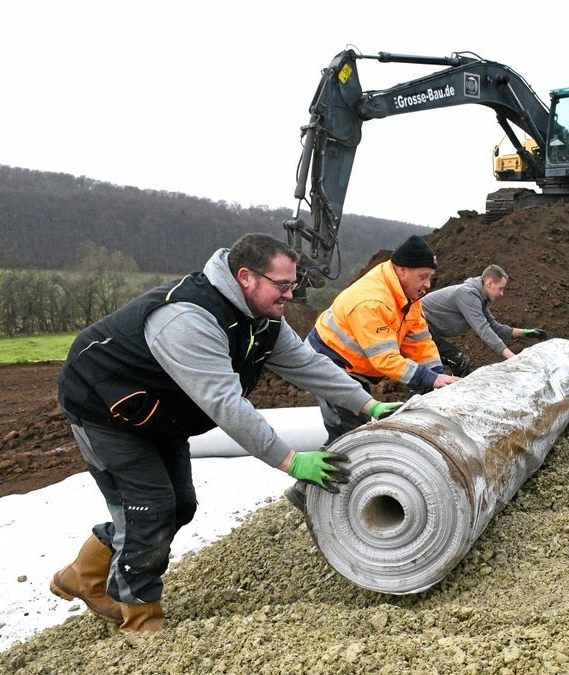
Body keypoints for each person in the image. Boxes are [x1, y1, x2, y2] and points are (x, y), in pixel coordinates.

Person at [52, 233, 399, 632]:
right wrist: (289, 460)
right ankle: (140, 619)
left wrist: (367, 404)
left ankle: (83, 574)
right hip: (105, 407)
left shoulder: (263, 317)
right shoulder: (188, 319)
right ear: (246, 277)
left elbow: (307, 363)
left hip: (159, 414)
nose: (290, 294)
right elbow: (226, 405)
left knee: (180, 506)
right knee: (148, 508)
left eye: (293, 284)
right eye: (282, 285)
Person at [286, 235, 461, 507]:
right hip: (331, 364)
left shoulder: (408, 294)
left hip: (357, 366)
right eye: (423, 277)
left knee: (353, 430)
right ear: (402, 270)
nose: (428, 284)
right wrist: (430, 379)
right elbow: (385, 360)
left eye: (430, 277)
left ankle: (342, 490)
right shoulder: (372, 301)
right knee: (348, 434)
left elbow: (420, 341)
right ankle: (308, 493)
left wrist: (436, 377)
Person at [421, 264, 548, 376]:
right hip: (418, 327)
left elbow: (493, 326)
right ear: (490, 283)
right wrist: (512, 358)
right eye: (501, 288)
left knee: (455, 364)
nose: (502, 293)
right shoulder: (468, 295)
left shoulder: (481, 298)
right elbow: (483, 329)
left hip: (429, 330)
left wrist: (527, 332)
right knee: (458, 362)